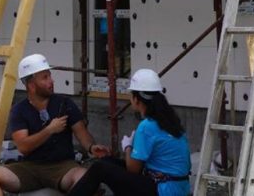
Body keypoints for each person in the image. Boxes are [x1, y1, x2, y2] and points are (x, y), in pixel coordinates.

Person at [0, 54, 109, 196]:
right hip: (30, 168)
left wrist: (91, 147)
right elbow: (24, 147)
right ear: (31, 84)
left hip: (63, 166)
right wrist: (49, 130)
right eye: (45, 78)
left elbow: (82, 133)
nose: (51, 81)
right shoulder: (19, 110)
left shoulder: (65, 104)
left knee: (85, 177)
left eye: (50, 76)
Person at [66, 68, 192, 196]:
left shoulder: (146, 126)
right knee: (106, 162)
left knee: (99, 168)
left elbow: (133, 169)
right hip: (178, 186)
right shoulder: (169, 120)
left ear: (136, 99)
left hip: (163, 190)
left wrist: (128, 146)